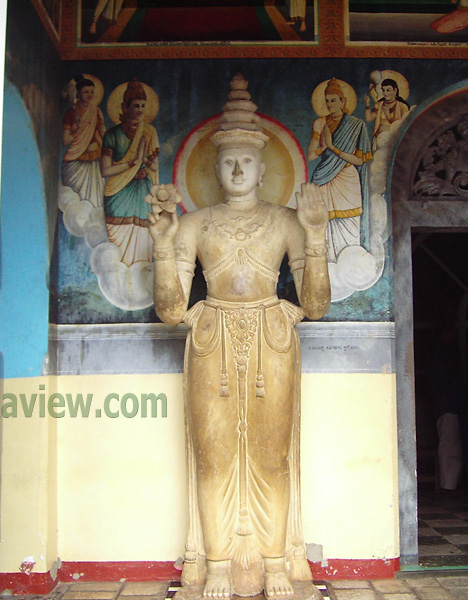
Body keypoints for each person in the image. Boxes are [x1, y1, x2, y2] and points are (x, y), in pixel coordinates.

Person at [147, 74, 330, 600]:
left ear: (263, 168)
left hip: (273, 337)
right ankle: (218, 563)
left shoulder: (287, 221)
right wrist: (163, 245)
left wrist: (315, 235)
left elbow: (316, 305)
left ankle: (275, 564)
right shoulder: (195, 225)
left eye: (246, 161)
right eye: (226, 160)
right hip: (211, 338)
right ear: (213, 166)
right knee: (213, 454)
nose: (235, 169)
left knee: (273, 455)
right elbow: (170, 309)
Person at [308, 78, 372, 263]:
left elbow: (360, 160)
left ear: (343, 101)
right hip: (324, 178)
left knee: (349, 223)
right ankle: (325, 267)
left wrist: (333, 147)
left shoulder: (357, 125)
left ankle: (350, 265)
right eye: (327, 101)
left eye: (334, 100)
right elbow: (312, 155)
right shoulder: (319, 123)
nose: (330, 104)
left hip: (347, 177)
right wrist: (323, 148)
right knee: (324, 225)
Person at [100, 79, 160, 266]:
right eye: (136, 105)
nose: (140, 109)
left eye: (143, 105)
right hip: (118, 193)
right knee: (118, 244)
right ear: (124, 107)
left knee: (144, 238)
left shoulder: (149, 131)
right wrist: (132, 165)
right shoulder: (112, 134)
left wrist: (148, 163)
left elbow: (155, 166)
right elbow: (105, 170)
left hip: (143, 192)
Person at [427, 323, 467, 491]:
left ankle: (451, 482)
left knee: (451, 445)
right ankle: (448, 485)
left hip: (449, 404)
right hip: (447, 405)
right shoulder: (442, 355)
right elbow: (443, 380)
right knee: (449, 447)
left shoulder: (445, 353)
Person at [61, 75, 106, 208]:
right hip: (75, 160)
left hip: (94, 162)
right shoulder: (70, 114)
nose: (90, 95)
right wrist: (75, 131)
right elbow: (65, 141)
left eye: (92, 92)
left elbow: (101, 134)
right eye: (86, 92)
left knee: (95, 201)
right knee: (76, 201)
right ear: (78, 93)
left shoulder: (96, 111)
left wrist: (109, 150)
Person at [364, 77, 410, 145]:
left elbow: (404, 127)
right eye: (383, 90)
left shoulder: (402, 107)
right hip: (378, 140)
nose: (385, 93)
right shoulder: (379, 104)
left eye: (388, 90)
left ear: (395, 91)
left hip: (394, 142)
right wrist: (367, 104)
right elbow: (368, 118)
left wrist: (388, 116)